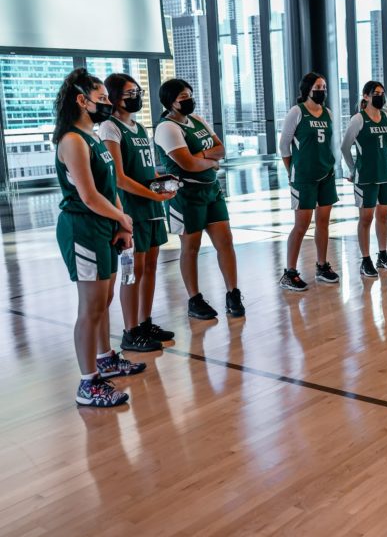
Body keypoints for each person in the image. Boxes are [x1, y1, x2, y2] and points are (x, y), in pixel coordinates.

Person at [55, 69, 143, 407]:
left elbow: (110, 188)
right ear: (82, 100)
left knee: (102, 302)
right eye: (102, 99)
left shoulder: (91, 136)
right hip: (83, 227)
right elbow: (89, 195)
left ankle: (106, 359)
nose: (107, 104)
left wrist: (121, 223)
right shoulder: (72, 140)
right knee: (90, 306)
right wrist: (121, 216)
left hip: (105, 225)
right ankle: (88, 383)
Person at [154, 79, 245, 319]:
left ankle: (232, 293)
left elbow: (221, 148)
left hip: (211, 191)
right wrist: (211, 161)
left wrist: (204, 155)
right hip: (186, 195)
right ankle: (194, 299)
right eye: (182, 96)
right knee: (191, 248)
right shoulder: (167, 128)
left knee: (225, 241)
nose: (188, 100)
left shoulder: (197, 120)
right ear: (170, 101)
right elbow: (187, 163)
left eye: (189, 95)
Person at [99, 73, 176, 353]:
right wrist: (152, 193)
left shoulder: (140, 127)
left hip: (151, 207)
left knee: (151, 267)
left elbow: (145, 168)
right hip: (131, 210)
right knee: (133, 271)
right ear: (114, 97)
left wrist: (162, 180)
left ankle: (144, 322)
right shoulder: (110, 127)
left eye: (138, 92)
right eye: (129, 93)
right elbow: (118, 177)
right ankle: (130, 331)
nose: (135, 97)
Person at [341, 81, 387, 278]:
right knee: (366, 218)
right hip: (365, 176)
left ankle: (382, 255)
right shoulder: (358, 119)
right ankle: (365, 260)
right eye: (375, 93)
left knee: (383, 216)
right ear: (366, 96)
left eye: (382, 93)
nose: (380, 96)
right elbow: (344, 147)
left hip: (385, 175)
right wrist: (352, 169)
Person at [277, 72, 341, 291]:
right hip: (303, 177)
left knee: (323, 223)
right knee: (301, 225)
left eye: (324, 86)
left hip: (326, 174)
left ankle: (322, 266)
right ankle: (290, 273)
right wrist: (291, 171)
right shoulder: (297, 112)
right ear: (307, 89)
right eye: (317, 86)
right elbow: (284, 146)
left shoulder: (328, 113)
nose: (321, 90)